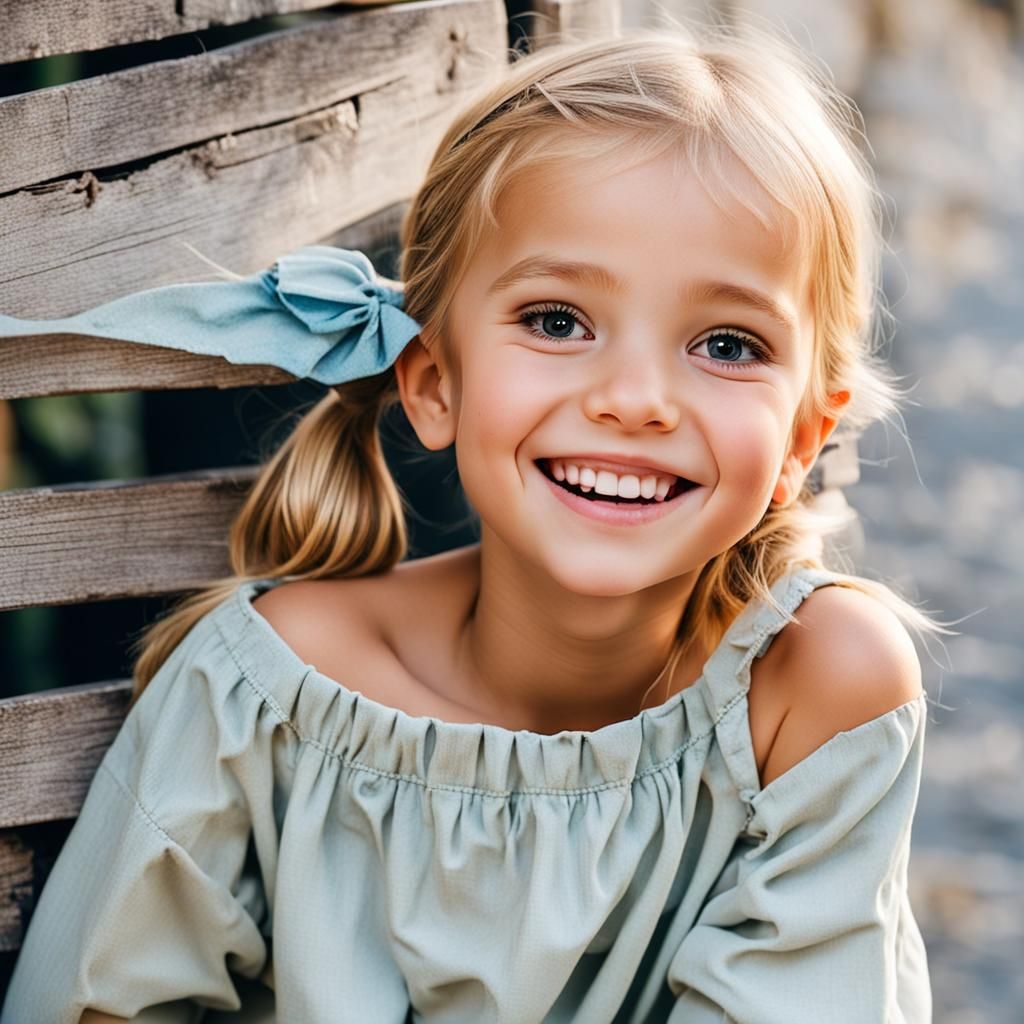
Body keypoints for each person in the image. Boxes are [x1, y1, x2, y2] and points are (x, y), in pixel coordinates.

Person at [0, 21, 942, 1024]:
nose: (634, 398)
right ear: (435, 383)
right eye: (556, 321)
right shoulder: (262, 696)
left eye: (724, 342)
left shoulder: (818, 694)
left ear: (805, 433)